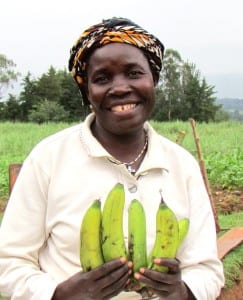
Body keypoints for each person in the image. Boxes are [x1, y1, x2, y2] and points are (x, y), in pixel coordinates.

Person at [0, 17, 224, 299]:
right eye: (102, 78)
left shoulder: (181, 165)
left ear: (152, 80)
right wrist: (56, 294)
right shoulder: (48, 159)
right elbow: (7, 263)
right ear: (87, 92)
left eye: (133, 73)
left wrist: (184, 291)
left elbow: (207, 270)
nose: (119, 88)